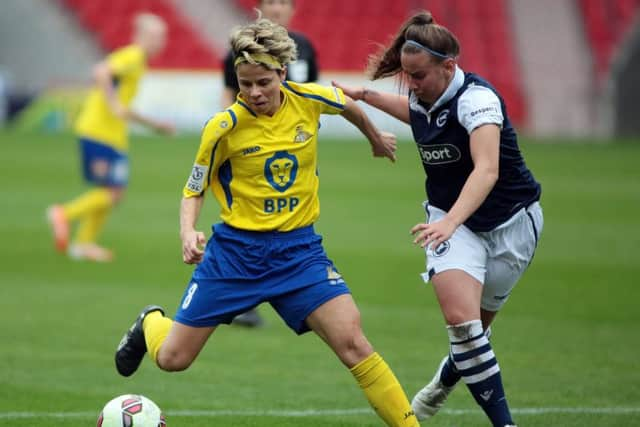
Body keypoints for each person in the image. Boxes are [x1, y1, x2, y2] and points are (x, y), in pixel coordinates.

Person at [114, 17, 420, 427]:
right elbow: (193, 187)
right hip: (235, 255)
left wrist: (375, 138)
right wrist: (188, 231)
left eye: (263, 82)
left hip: (299, 253)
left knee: (354, 344)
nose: (255, 93)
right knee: (173, 359)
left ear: (281, 72)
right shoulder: (223, 128)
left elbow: (347, 104)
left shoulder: (310, 98)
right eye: (245, 84)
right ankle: (150, 322)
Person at [333, 11, 543, 427]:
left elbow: (487, 170)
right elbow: (414, 111)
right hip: (451, 221)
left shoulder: (478, 101)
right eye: (407, 76)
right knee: (463, 327)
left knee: (475, 337)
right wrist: (365, 97)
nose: (411, 84)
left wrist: (452, 221)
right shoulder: (424, 93)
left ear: (449, 67)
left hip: (512, 224)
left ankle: (446, 379)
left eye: (419, 75)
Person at [47, 13, 175, 262]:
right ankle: (63, 214)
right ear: (143, 37)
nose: (162, 42)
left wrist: (156, 126)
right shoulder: (133, 56)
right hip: (98, 132)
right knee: (112, 192)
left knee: (110, 192)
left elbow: (124, 109)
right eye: (158, 37)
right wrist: (114, 103)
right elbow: (101, 71)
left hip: (112, 134)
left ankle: (83, 243)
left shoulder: (139, 62)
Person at [222, 0, 318, 327]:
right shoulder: (242, 54)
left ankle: (289, 288)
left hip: (293, 147)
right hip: (250, 148)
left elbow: (312, 97)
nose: (276, 9)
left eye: (282, 3)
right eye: (270, 3)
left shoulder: (305, 47)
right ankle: (242, 297)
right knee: (246, 217)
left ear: (293, 10)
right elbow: (227, 96)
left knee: (290, 219)